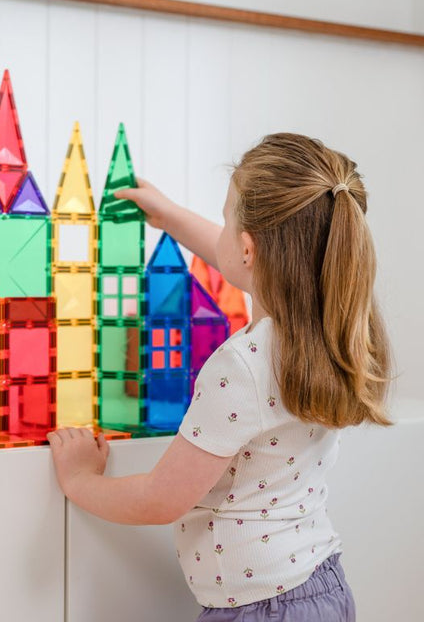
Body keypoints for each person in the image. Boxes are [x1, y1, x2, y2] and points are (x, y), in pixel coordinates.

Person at [47, 132, 392, 621]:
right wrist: (168, 216)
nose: (222, 229)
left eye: (227, 217)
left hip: (259, 611)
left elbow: (159, 499)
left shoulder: (243, 366)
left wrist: (79, 479)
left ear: (249, 249)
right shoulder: (331, 331)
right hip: (321, 588)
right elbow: (238, 254)